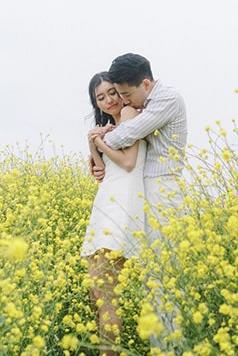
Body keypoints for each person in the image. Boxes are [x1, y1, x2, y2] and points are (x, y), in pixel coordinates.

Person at [92, 53, 188, 350]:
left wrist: (99, 136)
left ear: (145, 83)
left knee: (164, 282)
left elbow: (126, 135)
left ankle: (171, 347)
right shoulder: (145, 103)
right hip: (149, 194)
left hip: (163, 193)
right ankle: (161, 346)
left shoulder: (166, 99)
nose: (125, 102)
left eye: (126, 94)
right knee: (153, 282)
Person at [81, 71, 147, 356]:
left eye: (112, 92)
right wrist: (92, 143)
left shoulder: (131, 114)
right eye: (101, 97)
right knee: (97, 292)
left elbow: (129, 163)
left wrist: (100, 142)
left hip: (121, 203)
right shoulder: (114, 126)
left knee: (106, 294)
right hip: (106, 199)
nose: (109, 100)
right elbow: (101, 172)